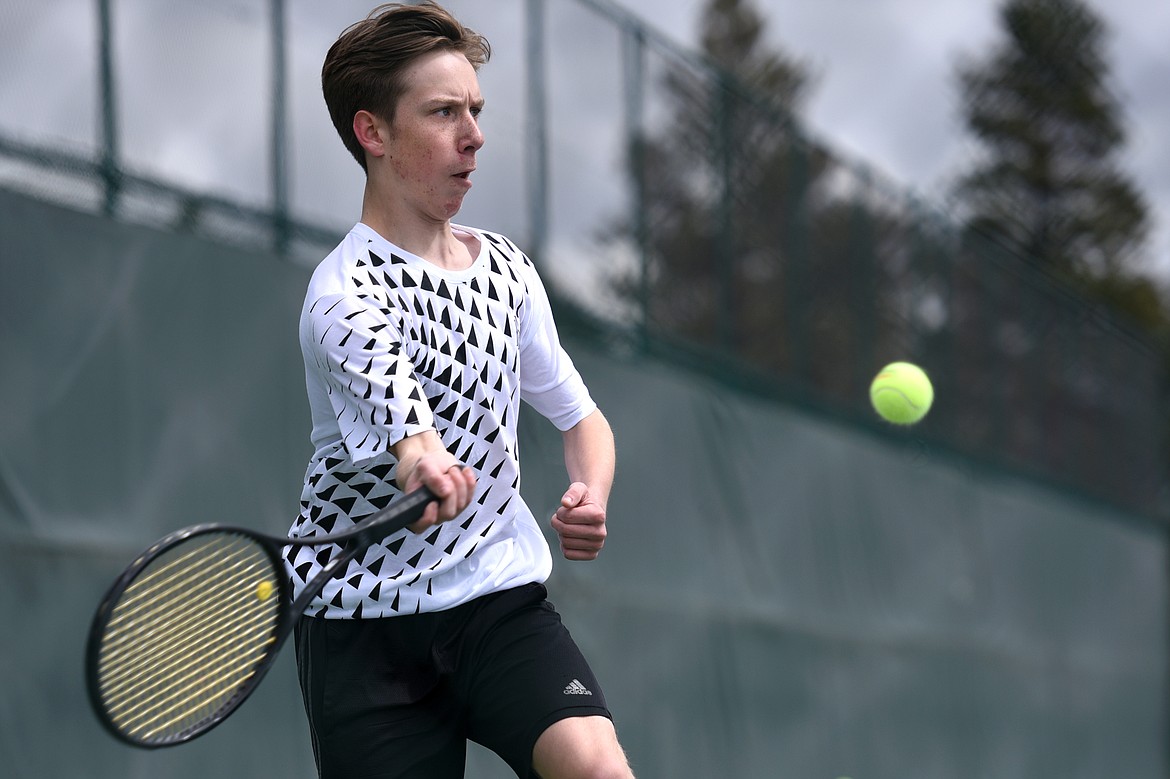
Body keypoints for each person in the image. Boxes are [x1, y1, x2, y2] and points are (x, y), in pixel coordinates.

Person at [283, 3, 634, 778]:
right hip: (363, 626)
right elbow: (409, 434)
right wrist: (424, 462)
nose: (473, 134)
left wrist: (592, 488)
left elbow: (582, 417)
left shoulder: (506, 268)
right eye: (443, 112)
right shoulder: (343, 296)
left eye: (475, 109)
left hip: (497, 601)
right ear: (372, 133)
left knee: (598, 768)